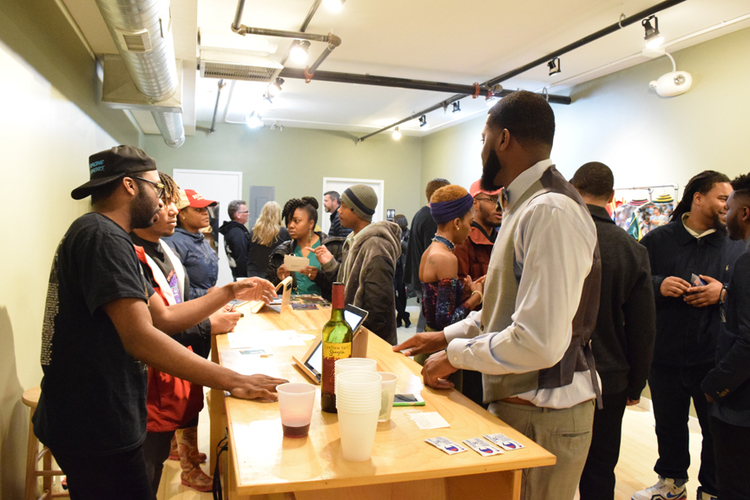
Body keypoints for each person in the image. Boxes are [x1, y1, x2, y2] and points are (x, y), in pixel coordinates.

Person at [32, 145, 287, 500]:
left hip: (90, 415)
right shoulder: (103, 237)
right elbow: (142, 338)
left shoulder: (105, 235)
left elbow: (162, 318)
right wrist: (234, 380)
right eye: (155, 187)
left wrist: (231, 289)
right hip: (94, 422)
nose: (161, 199)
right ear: (130, 186)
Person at [393, 91, 601, 500]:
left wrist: (455, 355)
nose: (481, 148)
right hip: (522, 405)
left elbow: (537, 341)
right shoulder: (523, 205)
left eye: (483, 136)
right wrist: (445, 336)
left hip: (546, 411)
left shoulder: (550, 211)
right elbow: (503, 311)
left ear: (503, 139)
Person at [635, 171, 745, 500]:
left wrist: (721, 293)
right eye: (722, 198)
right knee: (668, 424)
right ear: (698, 198)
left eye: (731, 199)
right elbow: (634, 286)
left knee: (713, 432)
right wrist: (659, 285)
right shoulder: (656, 240)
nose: (728, 205)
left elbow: (744, 296)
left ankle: (710, 491)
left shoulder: (736, 244)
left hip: (712, 357)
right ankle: (671, 483)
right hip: (665, 352)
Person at [131, 173, 240, 494]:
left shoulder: (164, 247)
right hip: (148, 382)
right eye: (163, 203)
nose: (171, 211)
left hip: (177, 358)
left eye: (173, 204)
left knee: (159, 452)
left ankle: (185, 457)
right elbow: (155, 322)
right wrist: (209, 321)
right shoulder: (130, 253)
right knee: (145, 467)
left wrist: (210, 310)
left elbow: (181, 298)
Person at [570, 162, 657, 500]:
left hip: (552, 372)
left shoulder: (557, 238)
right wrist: (637, 382)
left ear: (574, 191)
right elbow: (643, 327)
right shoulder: (633, 250)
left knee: (549, 469)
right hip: (610, 377)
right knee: (601, 469)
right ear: (612, 197)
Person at [702, 173, 750, 500]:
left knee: (733, 487)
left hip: (739, 406)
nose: (725, 215)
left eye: (729, 207)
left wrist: (715, 385)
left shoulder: (746, 263)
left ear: (745, 213)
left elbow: (748, 340)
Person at [311, 185, 402, 345]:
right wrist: (331, 264)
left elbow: (377, 308)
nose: (338, 210)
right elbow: (350, 284)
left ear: (357, 211)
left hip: (370, 342)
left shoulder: (376, 247)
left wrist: (352, 337)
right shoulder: (354, 240)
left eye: (344, 206)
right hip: (352, 333)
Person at [267, 196, 344, 299]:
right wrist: (279, 279)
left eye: (296, 221)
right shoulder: (281, 252)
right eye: (289, 221)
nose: (290, 226)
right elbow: (268, 290)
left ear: (310, 224)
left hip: (323, 311)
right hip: (290, 310)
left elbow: (343, 287)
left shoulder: (332, 247)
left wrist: (318, 277)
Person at [404, 178, 450, 332]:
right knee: (428, 325)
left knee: (426, 320)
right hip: (426, 280)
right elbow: (433, 254)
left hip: (418, 277)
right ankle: (420, 353)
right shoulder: (432, 218)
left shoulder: (420, 214)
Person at [163, 189, 219, 299]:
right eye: (198, 209)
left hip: (204, 305)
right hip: (187, 310)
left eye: (205, 209)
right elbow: (171, 288)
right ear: (182, 214)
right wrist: (206, 294)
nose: (205, 212)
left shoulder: (200, 240)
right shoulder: (172, 242)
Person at [454, 179, 503, 280]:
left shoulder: (502, 239)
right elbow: (459, 288)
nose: (500, 207)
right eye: (492, 200)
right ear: (475, 203)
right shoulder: (463, 241)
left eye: (502, 200)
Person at [246, 201, 290, 278]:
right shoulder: (283, 232)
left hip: (254, 272)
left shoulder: (253, 232)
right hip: (274, 272)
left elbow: (247, 252)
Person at [218, 199, 250, 281]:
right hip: (242, 277)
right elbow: (241, 256)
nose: (248, 214)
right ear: (238, 215)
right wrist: (246, 277)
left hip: (237, 274)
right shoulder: (237, 232)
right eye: (246, 212)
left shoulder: (230, 230)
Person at [393, 214, 411, 328]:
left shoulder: (409, 234)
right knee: (392, 292)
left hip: (404, 269)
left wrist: (400, 241)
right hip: (394, 268)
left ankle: (399, 319)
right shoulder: (393, 234)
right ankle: (405, 315)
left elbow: (410, 248)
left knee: (402, 295)